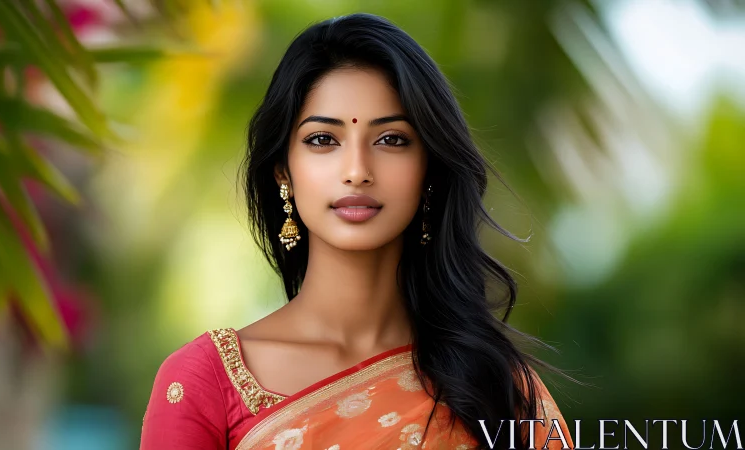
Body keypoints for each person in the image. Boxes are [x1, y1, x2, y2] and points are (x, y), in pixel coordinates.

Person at [141, 13, 576, 450]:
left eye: (391, 139)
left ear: (429, 170)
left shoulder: (496, 386)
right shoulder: (204, 382)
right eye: (322, 140)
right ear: (282, 173)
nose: (357, 172)